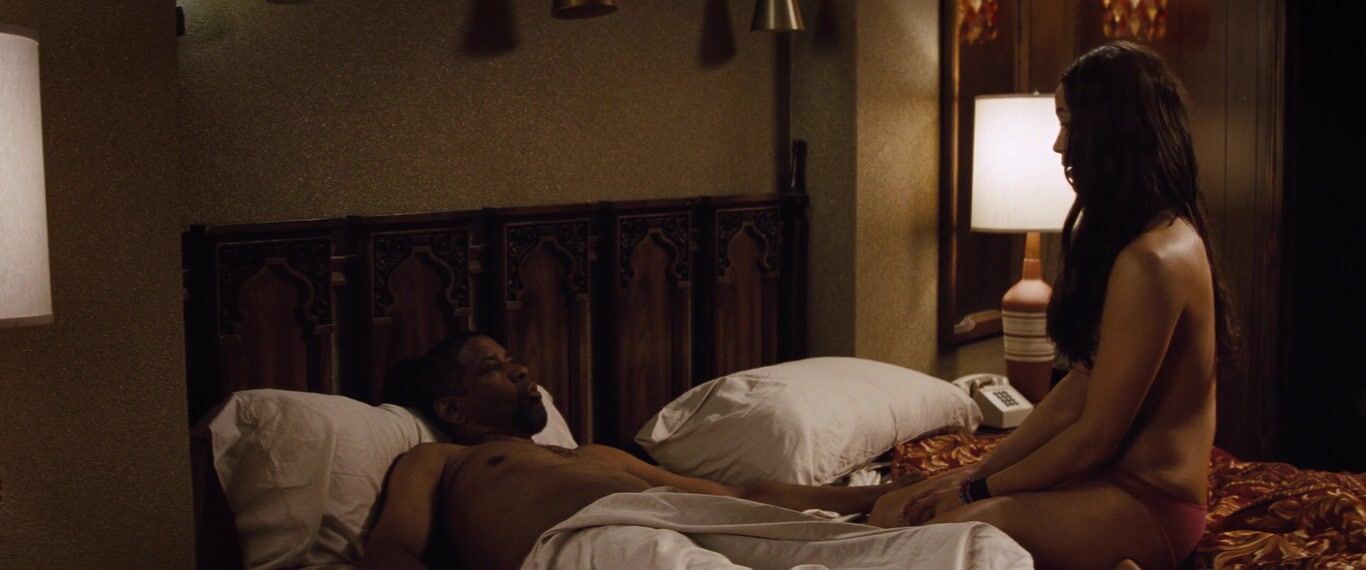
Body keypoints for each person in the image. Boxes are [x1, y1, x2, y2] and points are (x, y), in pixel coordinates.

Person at [868, 41, 1235, 570]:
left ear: (1110, 131)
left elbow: (1095, 436)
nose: (1059, 145)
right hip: (1098, 481)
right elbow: (1076, 391)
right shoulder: (1137, 237)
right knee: (893, 512)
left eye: (1068, 124)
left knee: (950, 535)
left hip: (1149, 502)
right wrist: (975, 473)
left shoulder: (1155, 258)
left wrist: (975, 494)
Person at [364, 332, 915, 570]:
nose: (522, 370)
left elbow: (740, 493)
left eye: (513, 360)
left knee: (901, 552)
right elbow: (390, 551)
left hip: (685, 524)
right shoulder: (441, 460)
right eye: (495, 368)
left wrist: (880, 495)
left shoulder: (593, 455)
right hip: (588, 542)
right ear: (454, 410)